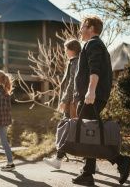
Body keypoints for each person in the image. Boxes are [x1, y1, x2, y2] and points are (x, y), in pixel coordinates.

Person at [71, 16, 130, 186]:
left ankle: (121, 161)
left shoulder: (94, 44)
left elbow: (95, 68)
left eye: (83, 26)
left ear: (90, 28)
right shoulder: (94, 44)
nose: (80, 30)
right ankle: (88, 173)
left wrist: (91, 91)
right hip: (91, 96)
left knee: (90, 133)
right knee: (89, 133)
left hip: (91, 97)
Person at [43, 38, 81, 169]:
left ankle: (58, 160)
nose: (65, 52)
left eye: (66, 49)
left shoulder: (75, 62)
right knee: (75, 130)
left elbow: (72, 84)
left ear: (72, 50)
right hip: (72, 100)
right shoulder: (74, 62)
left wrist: (65, 100)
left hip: (72, 102)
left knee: (68, 129)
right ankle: (90, 163)